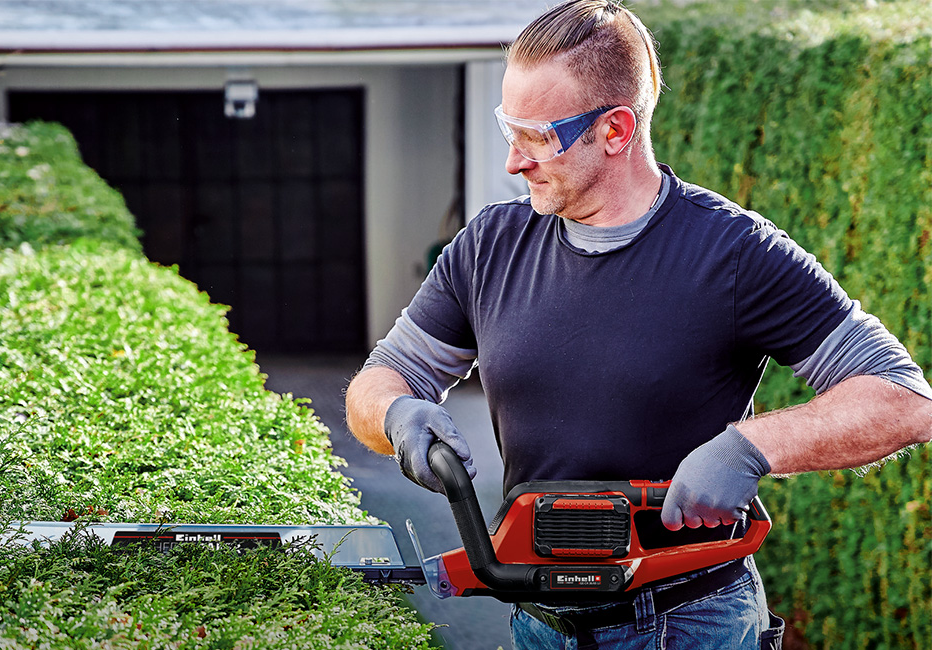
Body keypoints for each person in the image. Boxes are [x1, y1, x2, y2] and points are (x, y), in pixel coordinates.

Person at [344, 1, 932, 648]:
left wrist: (749, 449)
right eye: (508, 130)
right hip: (541, 625)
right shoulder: (490, 247)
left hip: (692, 622)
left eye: (537, 137)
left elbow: (901, 400)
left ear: (617, 130)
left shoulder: (735, 254)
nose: (514, 162)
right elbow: (378, 383)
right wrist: (397, 414)